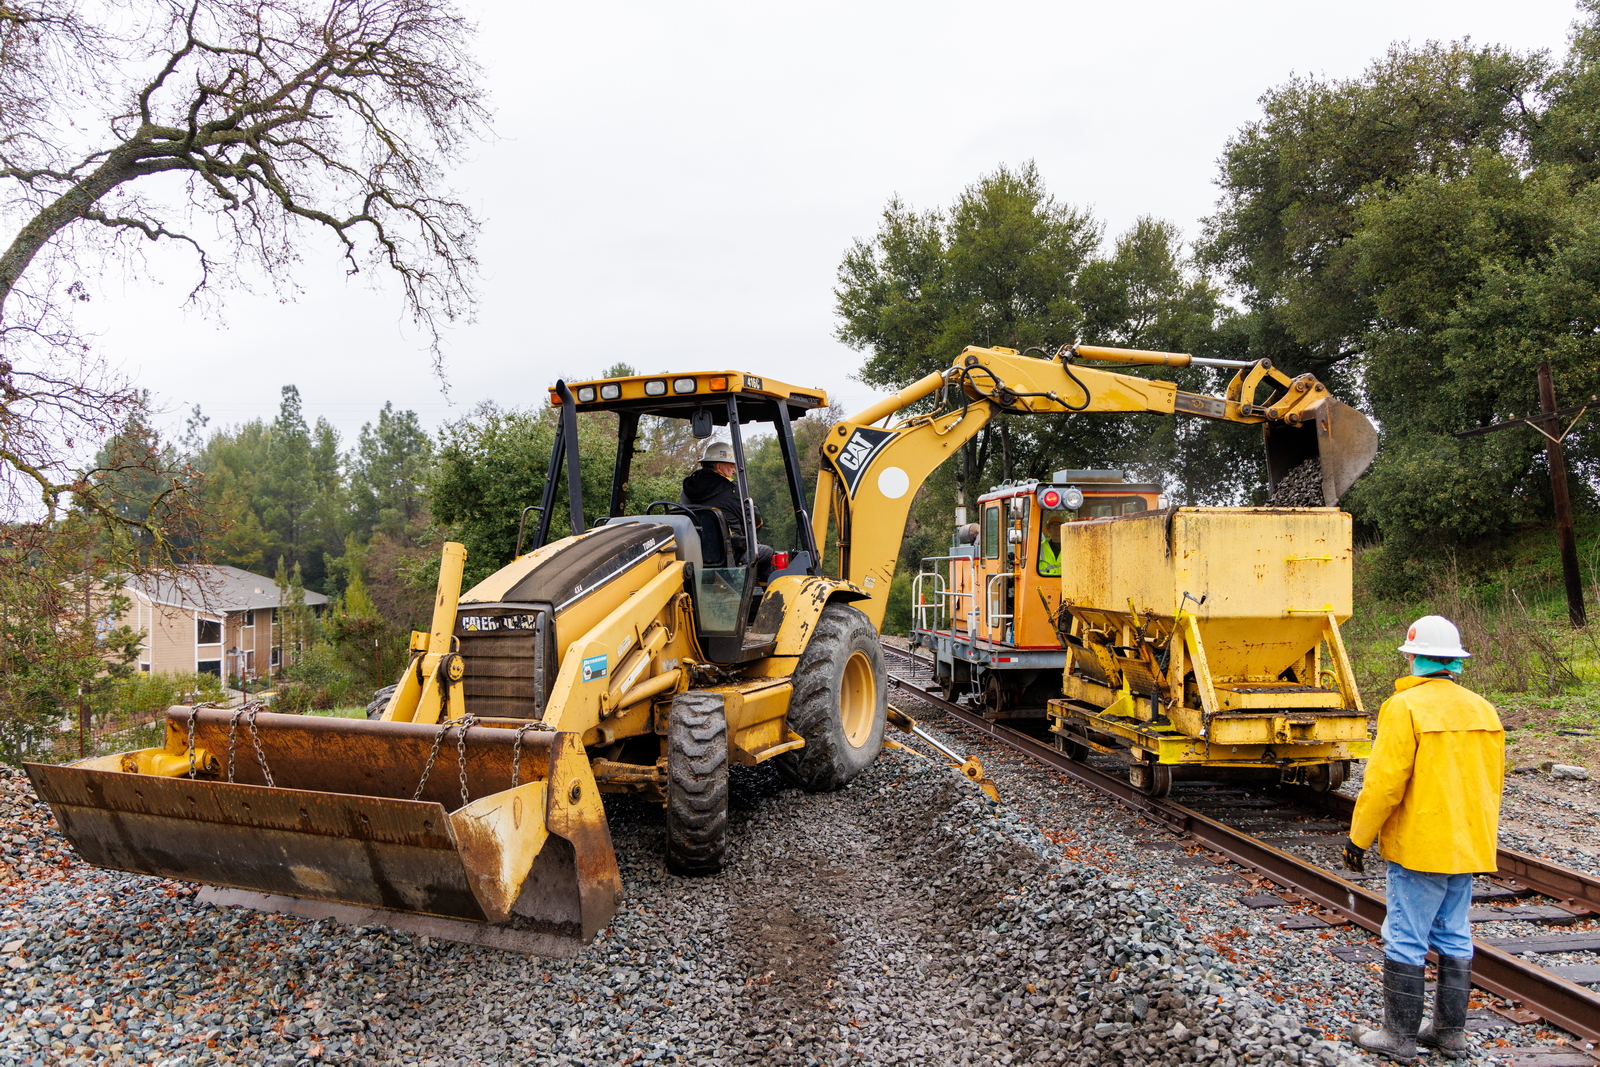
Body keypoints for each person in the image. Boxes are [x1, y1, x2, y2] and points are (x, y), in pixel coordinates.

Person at [1343, 615, 1504, 1063]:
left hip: (1420, 845)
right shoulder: (1483, 709)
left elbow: (1384, 784)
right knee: (1454, 935)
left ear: (1414, 657)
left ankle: (1398, 1036)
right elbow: (1491, 784)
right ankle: (1450, 1035)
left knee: (1405, 938)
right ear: (1454, 661)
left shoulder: (1405, 707)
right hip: (1466, 844)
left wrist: (1358, 838)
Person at [680, 441, 774, 577]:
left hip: (694, 555)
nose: (734, 471)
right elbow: (755, 521)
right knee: (767, 552)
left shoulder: (686, 491)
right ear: (719, 467)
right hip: (729, 557)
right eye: (731, 467)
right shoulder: (732, 491)